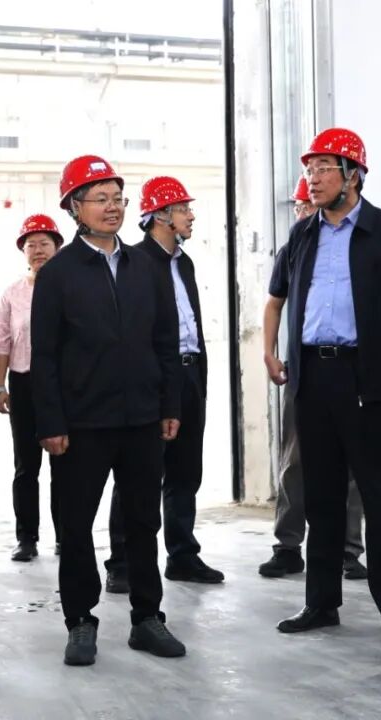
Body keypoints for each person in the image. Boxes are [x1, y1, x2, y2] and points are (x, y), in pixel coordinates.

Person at [266, 129, 381, 645]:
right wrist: (275, 353)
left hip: (366, 380)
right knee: (322, 497)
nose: (312, 180)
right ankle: (320, 603)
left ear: (353, 175)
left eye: (323, 169)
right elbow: (281, 299)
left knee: (380, 497)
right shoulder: (302, 236)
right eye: (309, 170)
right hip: (312, 377)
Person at [31, 154, 185, 667]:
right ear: (75, 207)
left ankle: (147, 618)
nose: (112, 207)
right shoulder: (58, 273)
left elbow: (166, 340)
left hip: (142, 418)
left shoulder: (148, 267)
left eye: (118, 198)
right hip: (81, 424)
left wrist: (169, 403)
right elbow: (44, 355)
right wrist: (50, 422)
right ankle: (80, 620)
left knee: (143, 523)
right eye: (100, 199)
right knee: (75, 526)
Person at [104, 176, 223, 586]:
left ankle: (182, 555)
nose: (191, 216)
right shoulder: (134, 263)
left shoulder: (183, 263)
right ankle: (122, 563)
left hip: (189, 373)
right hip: (153, 379)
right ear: (161, 216)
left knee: (186, 470)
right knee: (137, 474)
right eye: (183, 209)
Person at [259, 175, 367, 581]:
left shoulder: (359, 242)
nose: (302, 213)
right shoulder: (296, 244)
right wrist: (269, 352)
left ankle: (348, 551)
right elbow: (274, 302)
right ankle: (288, 545)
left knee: (351, 465)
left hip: (351, 369)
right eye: (299, 207)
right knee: (296, 460)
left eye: (305, 206)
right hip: (304, 369)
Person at [0, 213, 64, 561]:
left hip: (64, 385)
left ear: (57, 247)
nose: (38, 250)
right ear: (23, 252)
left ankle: (66, 535)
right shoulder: (12, 294)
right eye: (31, 245)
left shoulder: (70, 287)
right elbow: (1, 341)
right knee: (26, 465)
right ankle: (27, 537)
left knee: (65, 465)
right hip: (24, 381)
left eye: (44, 243)